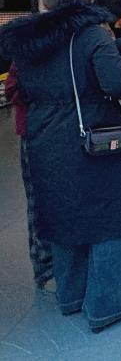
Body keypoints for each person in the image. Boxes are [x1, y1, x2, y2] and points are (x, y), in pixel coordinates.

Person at [0, 0, 121, 332]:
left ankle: (70, 296)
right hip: (89, 134)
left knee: (61, 214)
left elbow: (20, 88)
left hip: (42, 135)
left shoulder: (26, 39)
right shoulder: (91, 34)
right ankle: (107, 304)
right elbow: (118, 84)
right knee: (110, 218)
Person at [6, 63, 53, 292]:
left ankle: (53, 263)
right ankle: (45, 264)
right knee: (40, 200)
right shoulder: (26, 51)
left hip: (51, 128)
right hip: (35, 130)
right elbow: (12, 88)